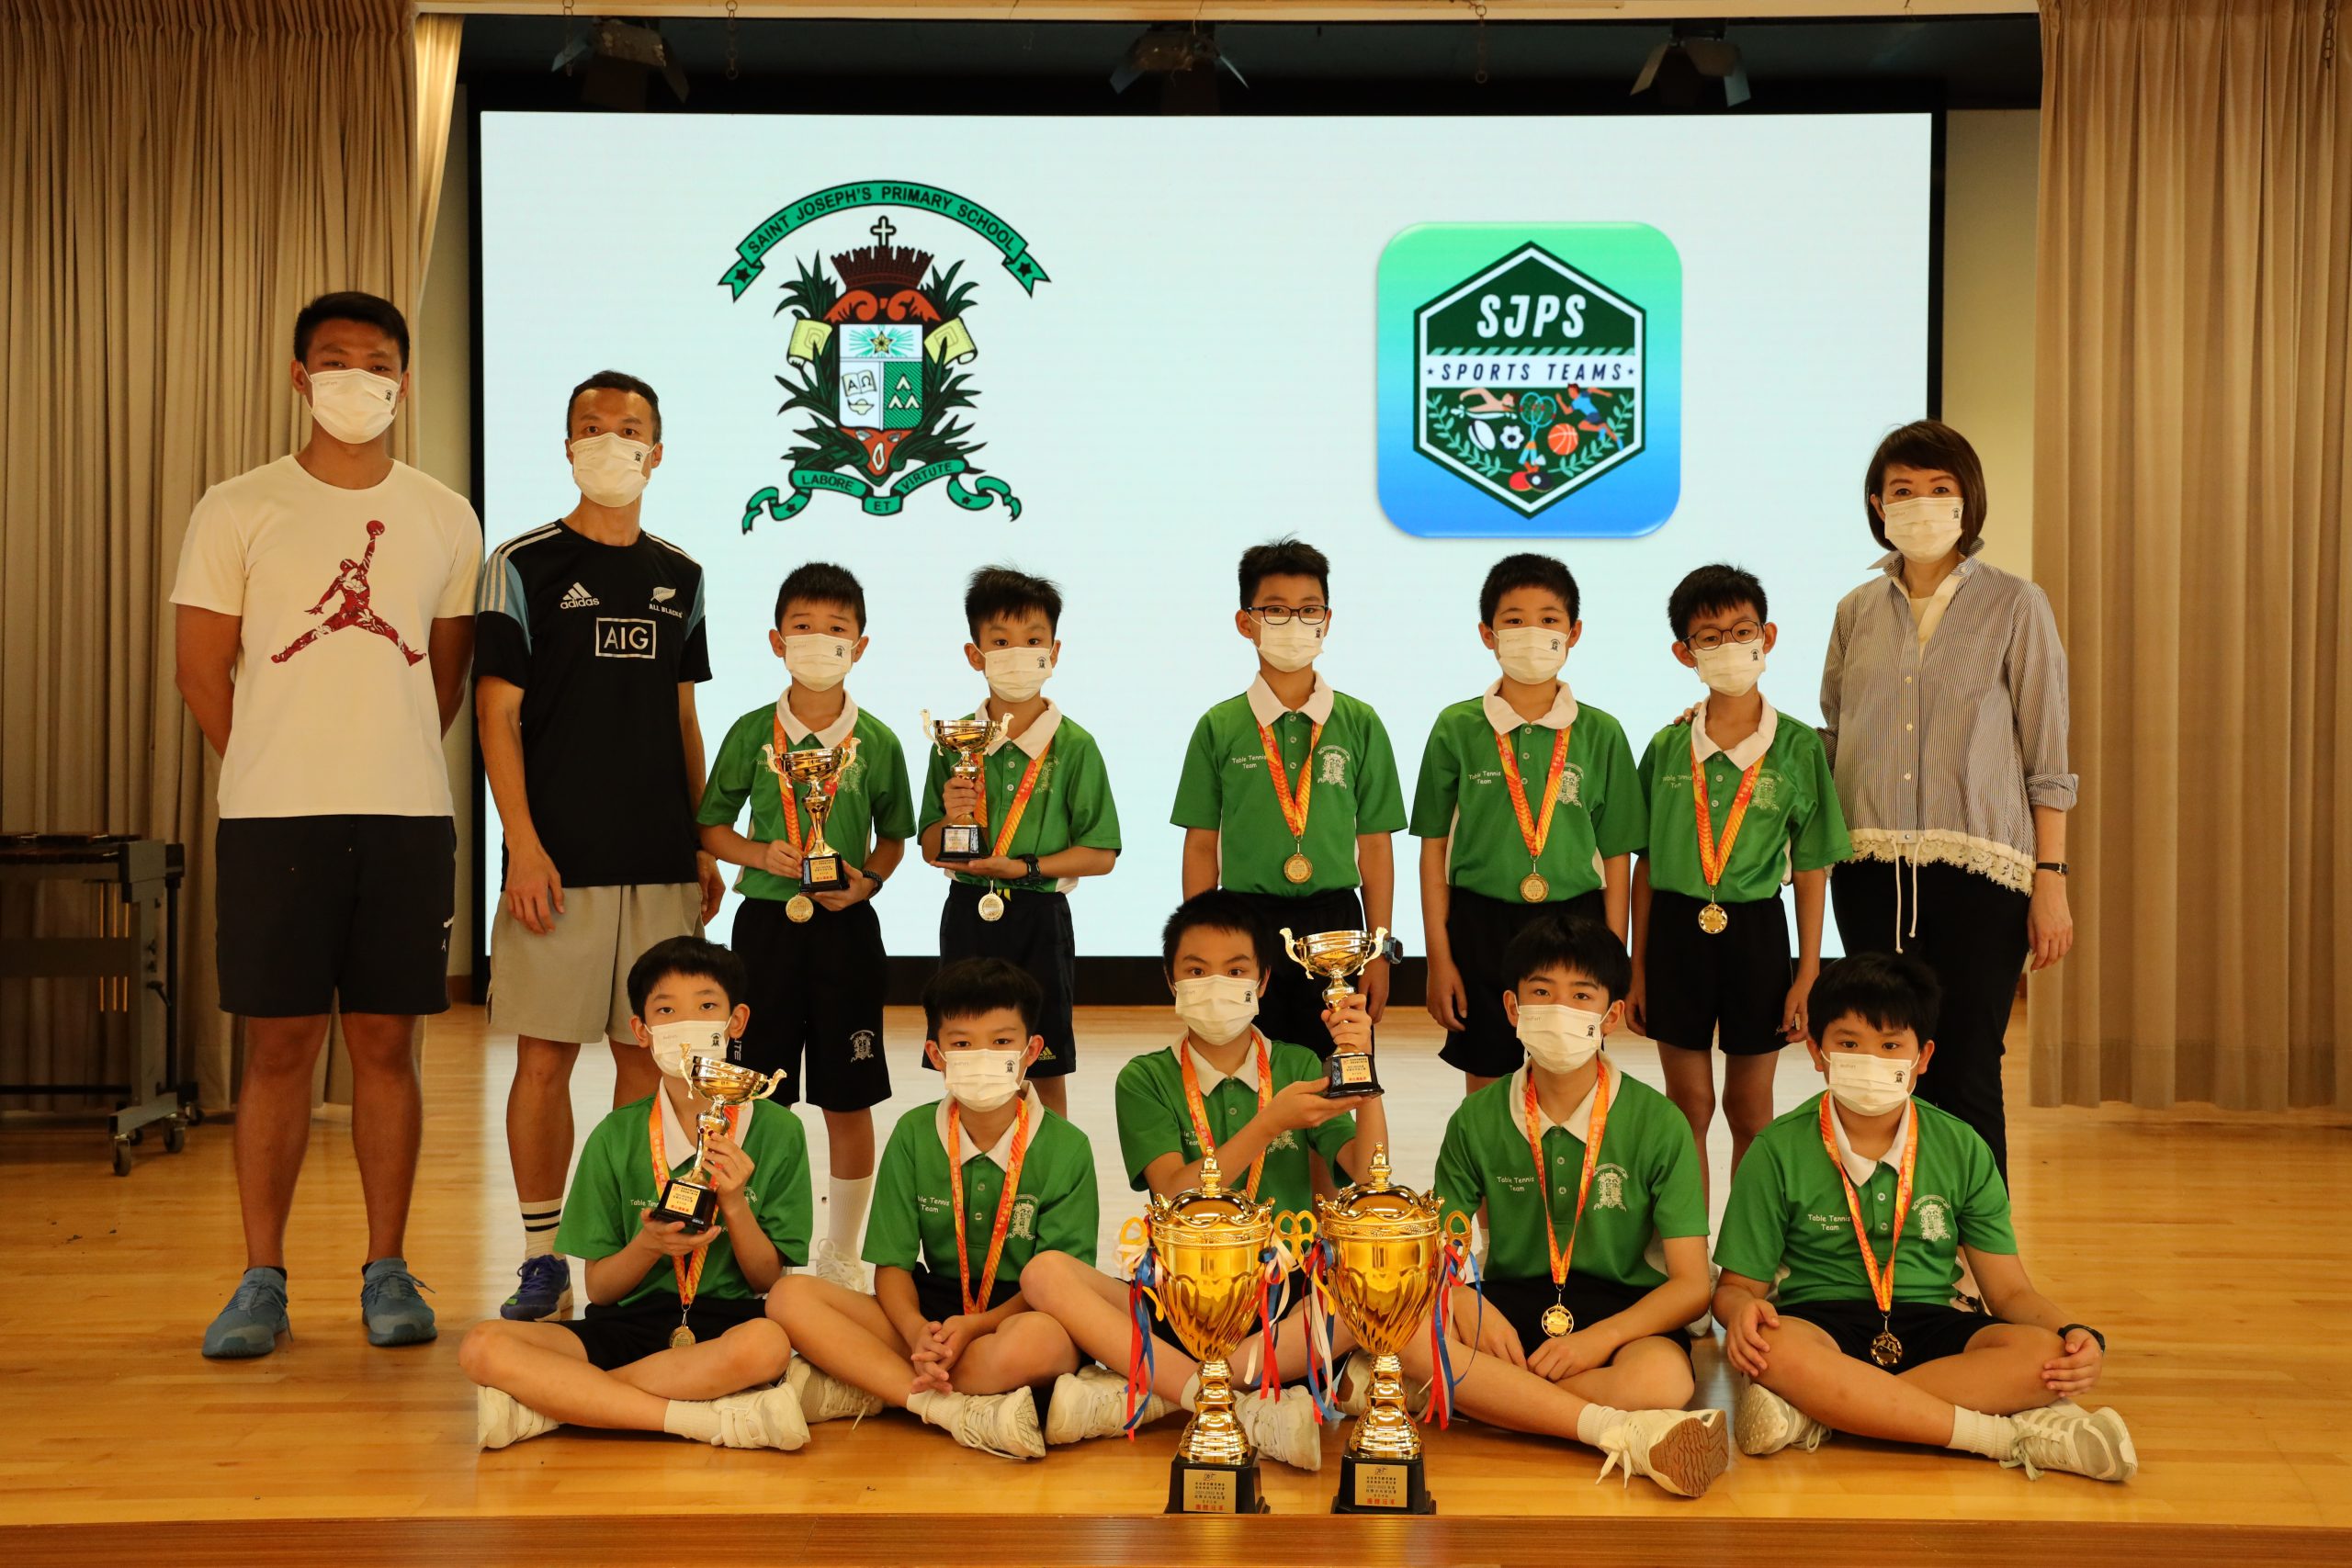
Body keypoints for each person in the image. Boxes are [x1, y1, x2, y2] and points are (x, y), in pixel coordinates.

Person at [174, 291, 481, 1359]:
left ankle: (387, 1269)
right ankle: (260, 1277)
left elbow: (443, 680)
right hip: (274, 820)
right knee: (278, 1047)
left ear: (404, 380)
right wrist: (274, 758)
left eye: (378, 361)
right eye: (337, 360)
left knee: (388, 1046)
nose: (360, 378)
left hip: (406, 818)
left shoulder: (445, 515)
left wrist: (374, 753)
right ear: (301, 377)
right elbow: (202, 672)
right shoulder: (236, 506)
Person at [475, 370, 727, 1324]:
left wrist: (702, 840)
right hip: (558, 863)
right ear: (568, 446)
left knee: (646, 1064)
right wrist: (523, 845)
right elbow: (496, 716)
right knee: (543, 1062)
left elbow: (683, 717)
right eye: (591, 426)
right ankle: (543, 1258)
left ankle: (629, 1254)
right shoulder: (520, 563)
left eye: (628, 428)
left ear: (655, 453)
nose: (609, 441)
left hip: (660, 860)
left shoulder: (682, 575)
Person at [1713, 953, 2135, 1483]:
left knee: (2044, 1355)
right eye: (1849, 1044)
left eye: (1891, 1046)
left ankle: (1823, 1411)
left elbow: (2009, 1292)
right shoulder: (1777, 1148)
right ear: (1817, 1052)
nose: (1870, 1060)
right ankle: (2000, 1437)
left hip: (1931, 1321)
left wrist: (2074, 1333)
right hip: (1820, 1326)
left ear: (1923, 1056)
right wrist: (1742, 1312)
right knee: (1773, 1348)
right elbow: (1736, 1289)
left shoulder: (1962, 1145)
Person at [1019, 890, 1392, 1472]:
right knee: (1044, 1273)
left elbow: (1370, 1175)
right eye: (1197, 971)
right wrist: (1269, 1124)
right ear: (1171, 981)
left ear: (1263, 982)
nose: (1216, 985)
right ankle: (1235, 1402)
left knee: (1370, 1285)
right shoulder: (1145, 1077)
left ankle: (1163, 1393)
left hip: (1281, 1300)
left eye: (1235, 971)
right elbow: (1175, 1191)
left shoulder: (1295, 1063)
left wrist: (1363, 1065)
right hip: (1178, 1296)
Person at [1385, 913, 1730, 1497]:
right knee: (1410, 1335)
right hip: (1509, 1303)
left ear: (1610, 1016)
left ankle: (1491, 1402)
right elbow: (1438, 1252)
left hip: (1622, 1311)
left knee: (1664, 1380)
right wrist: (1462, 1296)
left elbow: (1693, 1286)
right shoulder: (1476, 1118)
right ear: (1513, 1008)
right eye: (1541, 993)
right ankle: (1607, 1427)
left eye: (1581, 996)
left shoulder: (1659, 1121)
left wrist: (1597, 1340)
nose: (1560, 1010)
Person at [1821, 420, 2075, 1178]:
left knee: (1964, 1062)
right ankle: (1885, 1227)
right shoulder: (1855, 611)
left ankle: (1978, 1241)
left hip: (1981, 875)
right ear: (1878, 505)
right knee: (1875, 1066)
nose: (1921, 503)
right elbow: (1833, 738)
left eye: (1940, 488)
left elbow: (2047, 755)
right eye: (1902, 490)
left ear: (1968, 501)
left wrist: (2050, 880)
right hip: (1868, 872)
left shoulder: (2017, 604)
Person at [458, 937, 812, 1452]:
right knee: (482, 1345)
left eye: (706, 1007)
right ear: (642, 1032)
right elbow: (601, 1291)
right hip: (625, 1326)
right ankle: (694, 1418)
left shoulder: (779, 1131)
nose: (686, 1024)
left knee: (769, 1344)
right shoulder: (615, 1135)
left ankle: (560, 1406)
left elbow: (765, 1279)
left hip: (727, 1326)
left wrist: (735, 1204)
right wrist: (649, 1245)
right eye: (666, 1011)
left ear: (736, 1021)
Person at [768, 958, 1097, 1461]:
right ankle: (953, 1407)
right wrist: (915, 1331)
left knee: (1041, 1344)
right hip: (932, 1312)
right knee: (789, 1297)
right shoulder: (914, 1133)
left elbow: (1062, 1289)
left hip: (1021, 1310)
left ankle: (876, 1384)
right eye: (962, 1044)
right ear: (936, 1054)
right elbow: (892, 1267)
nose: (981, 1056)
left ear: (1031, 1051)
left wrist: (976, 1327)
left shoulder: (1067, 1147)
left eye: (1001, 1042)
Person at [697, 562, 912, 1291]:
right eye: (803, 627)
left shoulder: (877, 740)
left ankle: (842, 1252)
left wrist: (868, 882)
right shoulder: (751, 732)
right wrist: (759, 853)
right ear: (776, 640)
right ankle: (768, 1245)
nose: (819, 640)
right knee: (759, 1097)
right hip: (765, 927)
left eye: (836, 629)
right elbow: (711, 826)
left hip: (846, 930)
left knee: (847, 1097)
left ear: (860, 645)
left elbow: (895, 836)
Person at [1629, 564, 1850, 1203]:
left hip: (1757, 934)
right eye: (1710, 636)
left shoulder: (1800, 747)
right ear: (1685, 652)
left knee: (1751, 1107)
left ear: (1767, 636)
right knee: (1688, 1105)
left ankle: (1747, 1249)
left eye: (1742, 630)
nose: (1729, 646)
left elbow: (1811, 867)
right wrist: (1636, 968)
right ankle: (1688, 1247)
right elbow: (1646, 865)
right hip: (1675, 935)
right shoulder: (1667, 746)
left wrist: (1809, 972)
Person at [1413, 552, 1647, 1093]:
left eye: (1548, 619)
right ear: (1487, 634)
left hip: (1576, 923)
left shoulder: (1602, 732)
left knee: (1571, 1075)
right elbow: (1432, 850)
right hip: (1480, 923)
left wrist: (1613, 957)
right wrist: (1438, 959)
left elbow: (1617, 857)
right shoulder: (1456, 727)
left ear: (1573, 632)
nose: (1532, 633)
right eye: (1514, 620)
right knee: (1488, 1081)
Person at [1171, 538, 1405, 1059]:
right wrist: (1197, 946)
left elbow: (1376, 845)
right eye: (1275, 610)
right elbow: (1200, 845)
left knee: (1339, 1068)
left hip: (1336, 922)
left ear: (1327, 621)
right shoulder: (1219, 725)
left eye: (1308, 610)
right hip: (1245, 921)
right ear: (1245, 622)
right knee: (1251, 1064)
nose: (1294, 623)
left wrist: (1379, 950)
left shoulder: (1360, 722)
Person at [918, 566, 1121, 1120]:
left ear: (1054, 653)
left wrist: (1025, 867)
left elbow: (1101, 853)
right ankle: (962, 1154)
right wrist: (952, 814)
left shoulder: (1075, 746)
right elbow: (931, 848)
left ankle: (1051, 1161)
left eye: (1033, 641)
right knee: (962, 1055)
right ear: (975, 654)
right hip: (967, 910)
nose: (1017, 654)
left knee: (1044, 1063)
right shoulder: (952, 741)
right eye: (1001, 641)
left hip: (1039, 915)